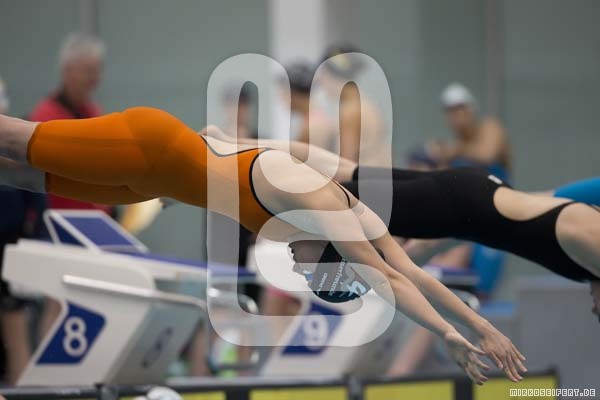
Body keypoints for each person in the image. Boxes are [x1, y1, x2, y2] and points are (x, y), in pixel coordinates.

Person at [0, 107, 527, 385]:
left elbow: (408, 271)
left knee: (19, 177)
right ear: (331, 250)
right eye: (312, 273)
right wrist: (450, 333)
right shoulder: (320, 209)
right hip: (148, 148)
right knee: (14, 140)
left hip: (147, 181)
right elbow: (389, 279)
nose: (298, 272)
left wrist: (478, 327)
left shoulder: (349, 213)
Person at [208, 133, 600, 322]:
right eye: (309, 269)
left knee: (342, 173)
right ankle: (225, 147)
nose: (593, 310)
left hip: (471, 203)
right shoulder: (583, 241)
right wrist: (470, 332)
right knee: (319, 181)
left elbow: (551, 198)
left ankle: (229, 145)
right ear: (333, 246)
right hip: (462, 204)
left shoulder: (580, 261)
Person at [317, 45, 387, 165]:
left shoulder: (350, 110)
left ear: (328, 75)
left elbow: (346, 164)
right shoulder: (365, 103)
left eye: (322, 74)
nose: (320, 81)